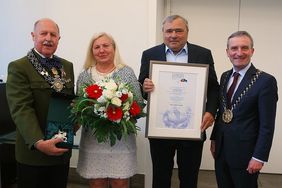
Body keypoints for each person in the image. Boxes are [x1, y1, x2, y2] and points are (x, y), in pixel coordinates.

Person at [138, 15, 219, 188]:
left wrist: (211, 111)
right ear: (163, 33)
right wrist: (145, 88)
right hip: (160, 128)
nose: (173, 35)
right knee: (160, 177)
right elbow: (142, 89)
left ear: (187, 32)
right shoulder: (150, 54)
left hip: (192, 128)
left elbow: (213, 87)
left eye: (178, 30)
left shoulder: (203, 54)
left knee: (189, 177)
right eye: (169, 31)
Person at [6, 18, 75, 188]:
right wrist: (38, 142)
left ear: (59, 38)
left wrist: (75, 124)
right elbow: (21, 108)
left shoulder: (67, 66)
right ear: (33, 36)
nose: (48, 38)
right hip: (34, 153)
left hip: (61, 150)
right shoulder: (19, 67)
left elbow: (70, 103)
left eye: (53, 34)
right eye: (43, 33)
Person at [210, 31, 278, 188]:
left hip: (246, 155)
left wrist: (259, 157)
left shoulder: (265, 81)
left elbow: (267, 125)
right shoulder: (225, 76)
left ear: (252, 51)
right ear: (227, 52)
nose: (239, 53)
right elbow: (222, 112)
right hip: (221, 151)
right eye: (234, 48)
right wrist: (214, 139)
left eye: (244, 48)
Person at [76, 32, 144, 188]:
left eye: (106, 46)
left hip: (121, 141)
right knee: (96, 183)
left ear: (114, 48)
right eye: (97, 47)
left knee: (119, 183)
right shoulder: (85, 75)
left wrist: (124, 112)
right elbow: (79, 107)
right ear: (92, 51)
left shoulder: (126, 72)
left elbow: (138, 105)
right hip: (93, 140)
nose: (101, 50)